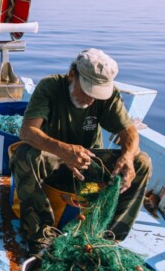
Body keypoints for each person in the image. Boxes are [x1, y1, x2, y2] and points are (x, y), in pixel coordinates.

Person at [10, 48, 152, 254]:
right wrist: (63, 150)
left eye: (98, 94)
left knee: (142, 162)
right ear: (72, 75)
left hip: (88, 178)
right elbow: (28, 132)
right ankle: (40, 236)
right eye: (87, 91)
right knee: (24, 154)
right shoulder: (49, 87)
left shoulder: (108, 97)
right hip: (54, 171)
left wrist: (128, 157)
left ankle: (108, 237)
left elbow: (129, 131)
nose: (92, 100)